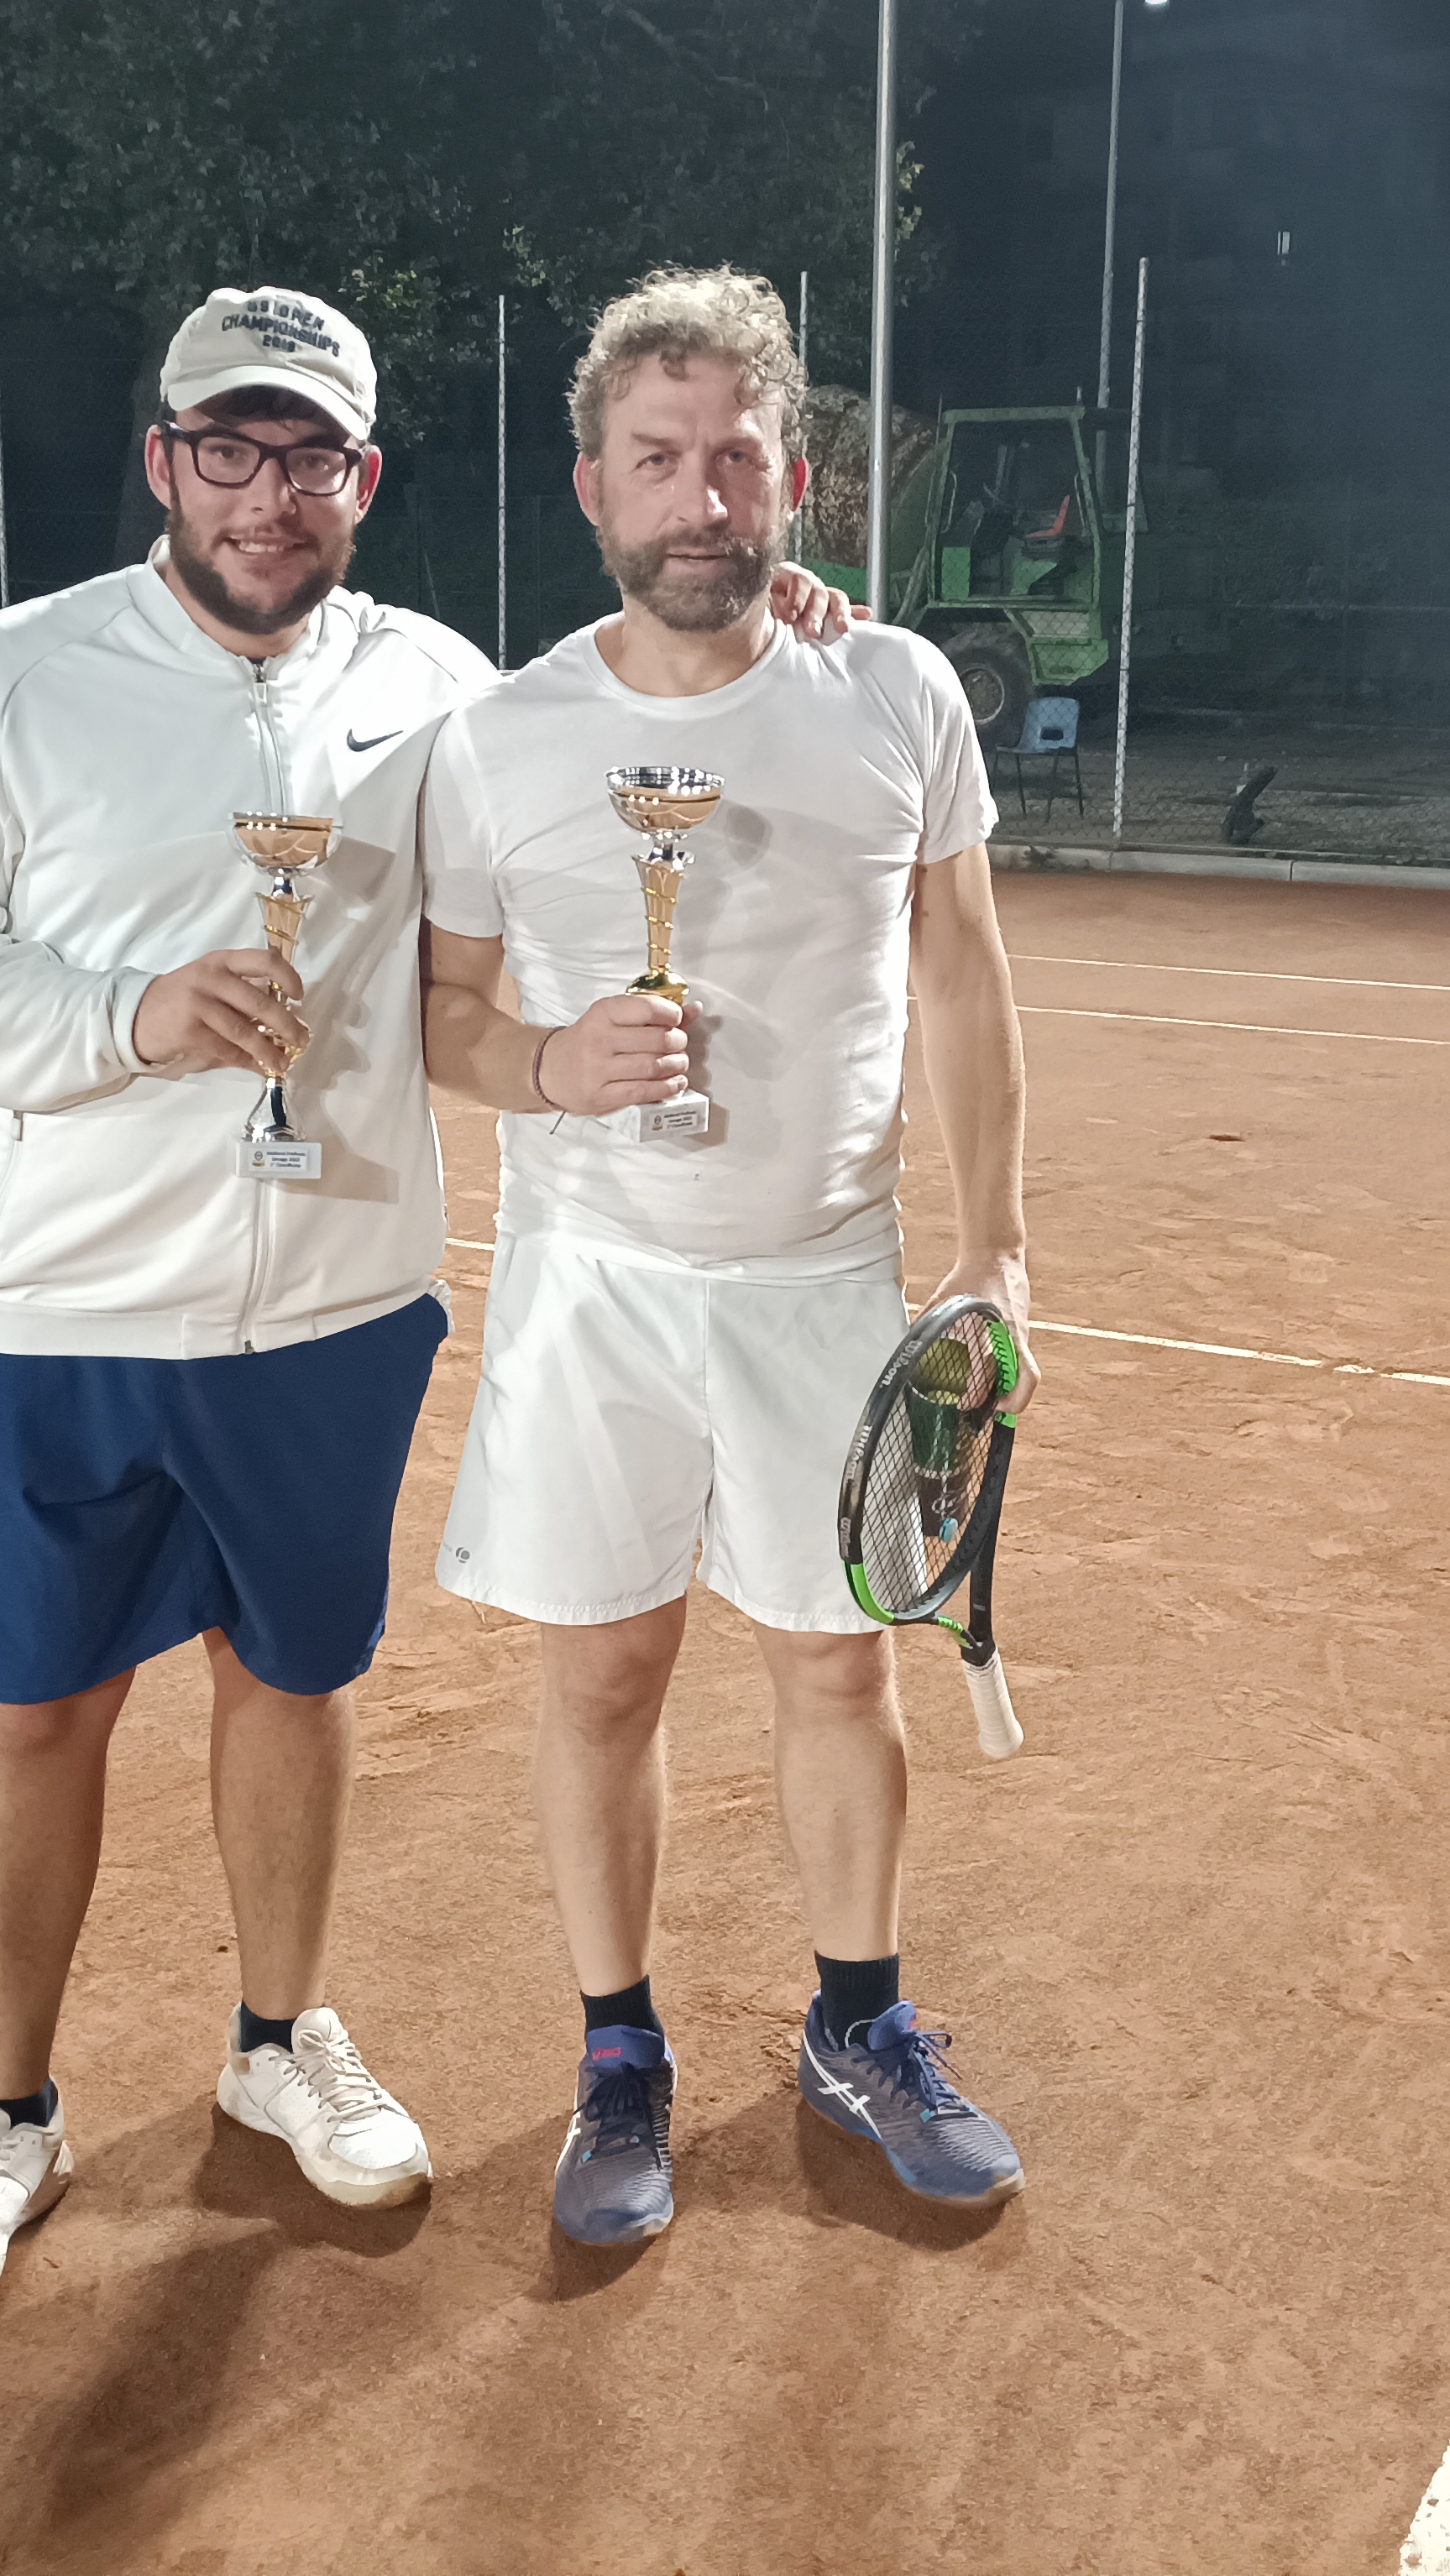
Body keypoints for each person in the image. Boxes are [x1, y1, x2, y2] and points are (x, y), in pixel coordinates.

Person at [0, 283, 855, 2335]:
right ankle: (2, 2114)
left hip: (331, 1313)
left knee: (290, 1683)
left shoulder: (440, 689)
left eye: (310, 457)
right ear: (165, 460)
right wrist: (126, 1015)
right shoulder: (13, 675)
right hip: (51, 1308)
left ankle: (277, 2038)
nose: (268, 493)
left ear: (364, 480)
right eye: (230, 446)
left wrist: (770, 624)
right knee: (34, 1710)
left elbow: (609, 754)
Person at [418, 264, 1042, 2246]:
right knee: (605, 1678)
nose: (704, 497)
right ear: (592, 485)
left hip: (823, 1280)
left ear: (796, 478)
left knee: (837, 1669)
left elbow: (963, 972)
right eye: (660, 458)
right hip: (591, 1290)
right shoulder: (498, 736)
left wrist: (997, 1244)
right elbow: (437, 1013)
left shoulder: (897, 690)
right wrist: (549, 1064)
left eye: (739, 459)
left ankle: (860, 2025)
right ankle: (620, 2058)